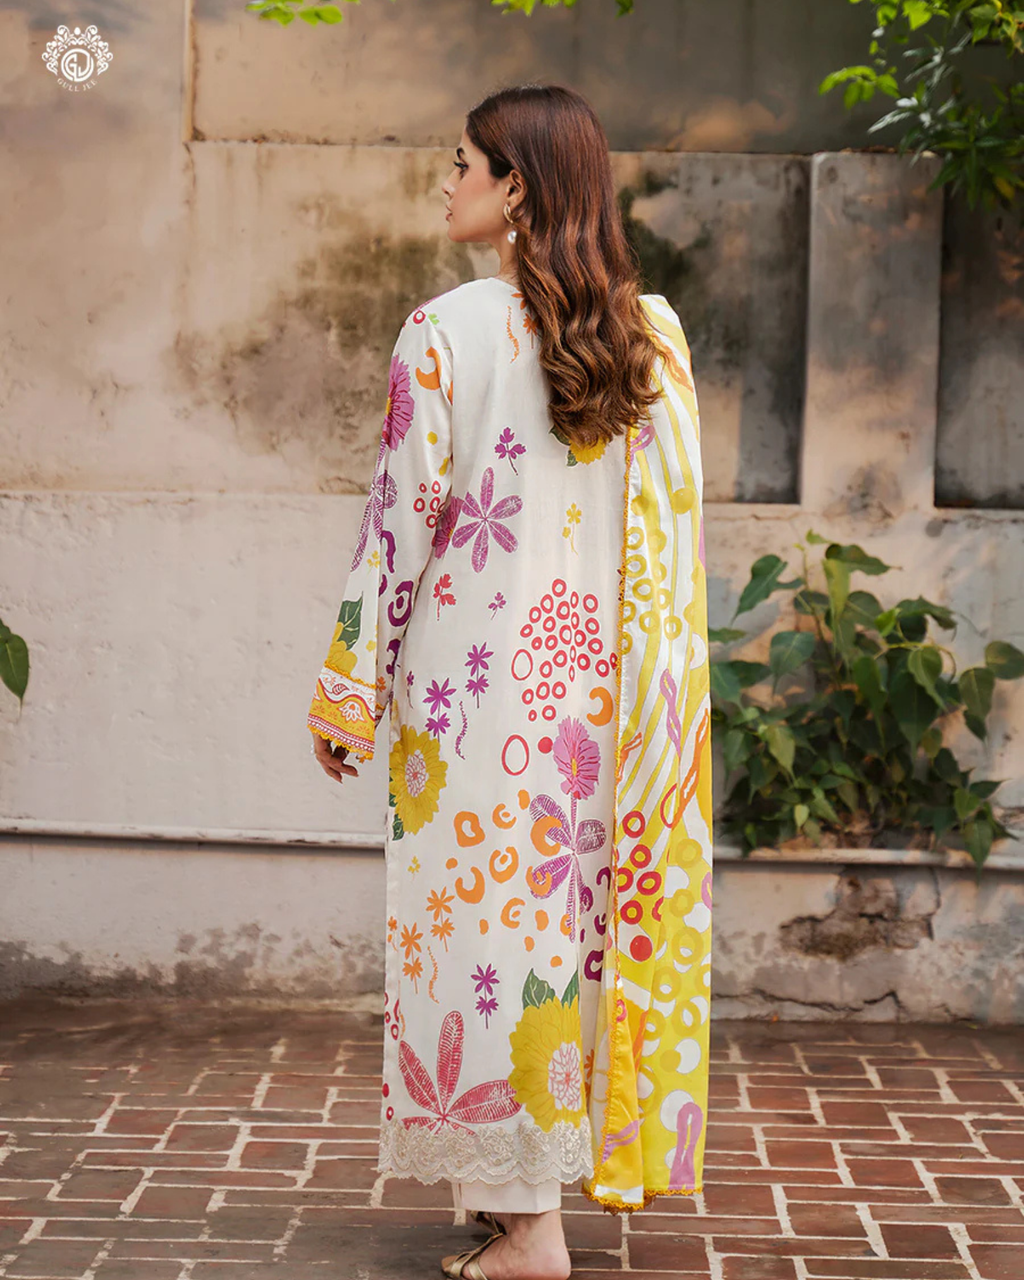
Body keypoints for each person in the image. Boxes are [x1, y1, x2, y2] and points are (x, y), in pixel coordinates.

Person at [308, 83, 712, 1280]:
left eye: (463, 162)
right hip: (606, 707)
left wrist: (347, 688)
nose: (447, 181)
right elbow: (676, 542)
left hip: (474, 701)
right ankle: (515, 1193)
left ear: (515, 187)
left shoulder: (442, 332)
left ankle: (532, 1228)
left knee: (483, 937)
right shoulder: (655, 338)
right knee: (565, 943)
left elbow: (400, 530)